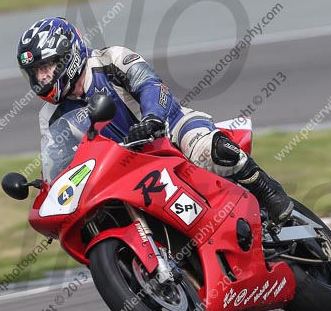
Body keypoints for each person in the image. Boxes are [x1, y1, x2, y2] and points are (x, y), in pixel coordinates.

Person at [17, 16, 293, 225]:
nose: (40, 78)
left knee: (213, 149)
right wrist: (50, 188)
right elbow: (59, 161)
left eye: (45, 67)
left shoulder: (110, 59)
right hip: (124, 171)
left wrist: (151, 119)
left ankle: (266, 189)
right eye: (34, 72)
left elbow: (150, 85)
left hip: (168, 129)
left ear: (68, 55)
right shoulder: (51, 117)